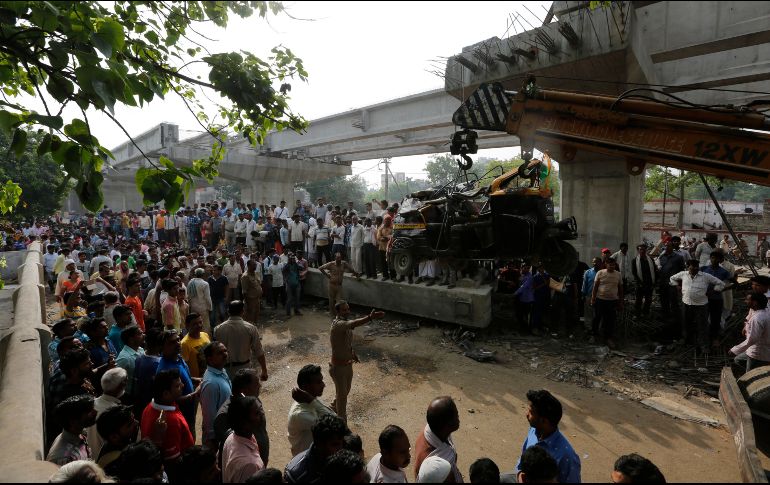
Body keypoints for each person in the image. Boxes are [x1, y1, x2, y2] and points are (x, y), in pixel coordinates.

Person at [330, 301, 384, 422]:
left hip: (347, 365)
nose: (347, 311)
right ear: (337, 312)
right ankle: (342, 423)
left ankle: (333, 406)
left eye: (348, 309)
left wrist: (352, 354)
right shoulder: (338, 324)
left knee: (345, 391)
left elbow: (346, 343)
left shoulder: (345, 325)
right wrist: (370, 317)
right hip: (338, 367)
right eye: (344, 310)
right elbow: (354, 323)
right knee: (343, 398)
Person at [515, 389, 580, 483]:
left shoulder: (567, 457)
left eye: (531, 412)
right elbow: (522, 463)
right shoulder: (533, 431)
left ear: (544, 421)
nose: (527, 414)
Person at [215, 368, 271, 466]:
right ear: (244, 390)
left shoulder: (253, 401)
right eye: (256, 383)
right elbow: (230, 448)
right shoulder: (224, 416)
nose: (260, 385)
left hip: (258, 460)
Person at [140, 369, 195, 468]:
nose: (183, 385)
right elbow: (173, 462)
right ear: (165, 394)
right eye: (177, 386)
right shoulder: (170, 421)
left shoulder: (150, 407)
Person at [670, 259, 726, 355]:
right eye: (692, 267)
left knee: (702, 326)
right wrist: (677, 287)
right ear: (688, 267)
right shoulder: (683, 274)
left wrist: (713, 291)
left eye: (696, 266)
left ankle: (704, 345)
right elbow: (672, 278)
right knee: (686, 323)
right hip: (686, 304)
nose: (695, 268)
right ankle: (687, 341)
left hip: (701, 306)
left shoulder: (705, 276)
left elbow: (721, 284)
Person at [156, 329, 200, 435]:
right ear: (161, 348)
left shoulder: (178, 357)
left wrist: (195, 379)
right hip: (179, 415)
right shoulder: (165, 370)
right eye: (171, 342)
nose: (177, 344)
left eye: (178, 340)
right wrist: (195, 393)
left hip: (189, 410)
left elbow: (185, 377)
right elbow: (172, 400)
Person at [287, 364, 337, 456]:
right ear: (305, 386)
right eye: (318, 382)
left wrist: (312, 400)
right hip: (307, 463)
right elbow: (335, 422)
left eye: (321, 380)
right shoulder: (300, 414)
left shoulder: (311, 402)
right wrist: (312, 400)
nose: (323, 385)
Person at [284, 414, 347, 483]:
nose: (341, 448)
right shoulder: (296, 474)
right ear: (320, 444)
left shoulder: (344, 457)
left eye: (342, 442)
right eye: (335, 444)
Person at [214, 300, 269, 381]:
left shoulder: (218, 329)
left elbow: (215, 352)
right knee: (246, 392)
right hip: (244, 369)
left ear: (228, 311)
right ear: (243, 311)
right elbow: (258, 351)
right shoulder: (250, 328)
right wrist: (264, 370)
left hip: (225, 371)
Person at [414, 396, 463, 482]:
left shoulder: (434, 429)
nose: (458, 417)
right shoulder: (433, 465)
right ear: (447, 425)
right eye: (456, 415)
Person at [222, 394, 266, 482]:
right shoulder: (251, 466)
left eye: (260, 409)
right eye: (257, 413)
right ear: (244, 424)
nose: (262, 413)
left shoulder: (232, 436)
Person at [86, 367, 128, 458]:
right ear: (119, 387)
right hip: (105, 460)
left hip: (89, 457)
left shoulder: (91, 404)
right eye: (124, 382)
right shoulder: (117, 413)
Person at [47, 395, 98, 466]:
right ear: (73, 422)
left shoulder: (80, 433)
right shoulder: (64, 458)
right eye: (88, 412)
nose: (94, 412)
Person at [200, 341, 232, 449]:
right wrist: (212, 440)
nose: (225, 354)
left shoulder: (221, 370)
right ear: (210, 359)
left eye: (225, 351)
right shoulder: (211, 384)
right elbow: (208, 415)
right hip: (217, 439)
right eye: (220, 353)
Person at [729, 292, 770, 374]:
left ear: (754, 303)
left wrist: (735, 350)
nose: (745, 301)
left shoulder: (758, 318)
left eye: (747, 300)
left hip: (757, 353)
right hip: (756, 349)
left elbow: (752, 339)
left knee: (752, 376)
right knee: (738, 360)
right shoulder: (764, 313)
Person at [95, 404, 140, 476]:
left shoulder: (118, 445)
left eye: (134, 419)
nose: (136, 423)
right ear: (114, 437)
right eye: (129, 424)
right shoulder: (118, 463)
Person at [701, 250, 731, 348]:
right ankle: (703, 338)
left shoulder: (724, 272)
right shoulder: (704, 269)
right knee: (703, 319)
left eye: (716, 258)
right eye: (712, 257)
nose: (714, 260)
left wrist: (721, 289)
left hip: (717, 299)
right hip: (703, 298)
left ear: (720, 260)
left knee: (716, 319)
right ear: (710, 258)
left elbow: (734, 283)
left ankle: (715, 338)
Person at [591, 258, 623, 348]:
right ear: (606, 264)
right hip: (600, 300)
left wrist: (620, 302)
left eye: (613, 265)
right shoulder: (600, 273)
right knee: (596, 318)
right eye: (610, 265)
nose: (612, 266)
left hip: (612, 301)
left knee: (610, 320)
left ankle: (608, 338)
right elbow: (595, 287)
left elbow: (620, 289)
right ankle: (594, 335)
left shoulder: (618, 274)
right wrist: (593, 299)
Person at [116, 325, 145, 402]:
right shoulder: (124, 358)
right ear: (131, 339)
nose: (143, 335)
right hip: (130, 397)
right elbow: (117, 381)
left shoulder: (140, 349)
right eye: (140, 334)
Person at [180, 313, 211, 379]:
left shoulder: (205, 335)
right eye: (195, 324)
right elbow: (184, 367)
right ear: (187, 326)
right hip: (197, 381)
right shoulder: (184, 344)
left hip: (209, 376)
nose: (199, 325)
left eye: (200, 322)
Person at [631, 244, 656, 315]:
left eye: (644, 249)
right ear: (638, 250)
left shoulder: (650, 260)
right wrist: (639, 283)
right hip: (640, 284)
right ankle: (637, 314)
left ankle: (645, 313)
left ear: (646, 250)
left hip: (649, 283)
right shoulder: (635, 260)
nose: (642, 251)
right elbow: (634, 273)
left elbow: (654, 270)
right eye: (640, 249)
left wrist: (654, 282)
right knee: (638, 300)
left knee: (648, 300)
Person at [187, 268, 213, 333]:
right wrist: (210, 308)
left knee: (195, 324)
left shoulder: (190, 282)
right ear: (203, 274)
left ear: (195, 274)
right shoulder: (205, 283)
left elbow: (188, 295)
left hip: (193, 307)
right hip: (203, 308)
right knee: (205, 326)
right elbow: (208, 298)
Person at [242, 259, 264, 324]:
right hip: (250, 301)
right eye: (253, 265)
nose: (255, 266)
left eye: (255, 265)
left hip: (257, 299)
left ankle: (254, 331)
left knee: (256, 318)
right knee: (250, 319)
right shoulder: (245, 276)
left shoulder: (255, 273)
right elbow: (244, 292)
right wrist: (247, 305)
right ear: (248, 266)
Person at [284, 252, 303, 317]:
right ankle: (288, 313)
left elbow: (301, 268)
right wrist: (286, 280)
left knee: (297, 298)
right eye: (291, 258)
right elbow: (283, 272)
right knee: (289, 299)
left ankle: (296, 311)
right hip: (289, 284)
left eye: (293, 258)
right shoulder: (287, 266)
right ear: (289, 259)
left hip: (297, 283)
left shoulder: (296, 265)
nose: (293, 259)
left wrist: (297, 262)